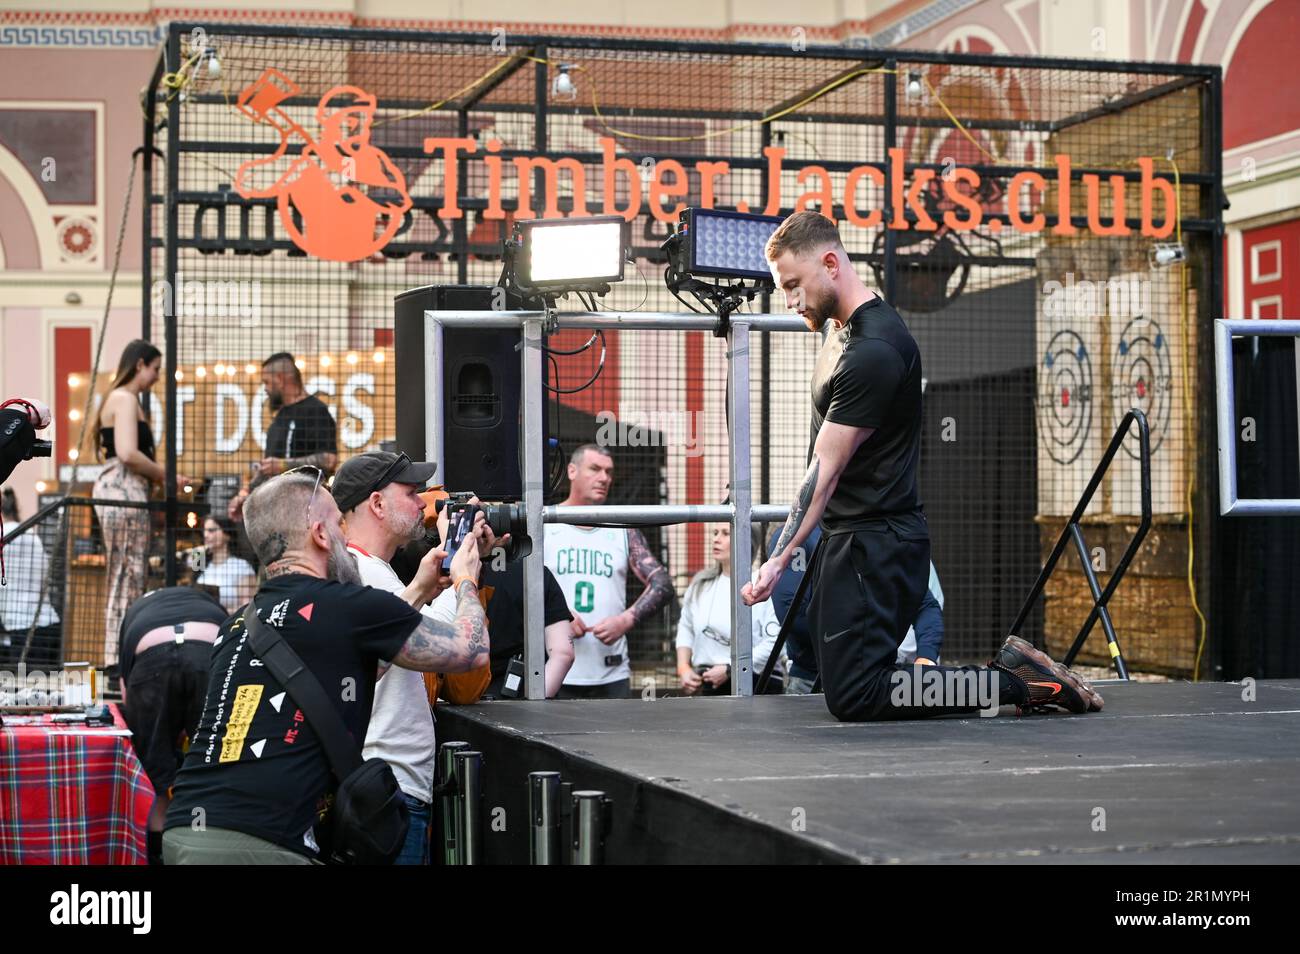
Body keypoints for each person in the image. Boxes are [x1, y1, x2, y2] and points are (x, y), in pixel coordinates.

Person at [743, 211, 1102, 720]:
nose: (790, 300)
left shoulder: (874, 349)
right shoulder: (841, 333)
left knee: (857, 696)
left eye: (794, 285)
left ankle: (1015, 683)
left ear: (830, 263)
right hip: (854, 539)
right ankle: (1011, 680)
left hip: (877, 543)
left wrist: (778, 558)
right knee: (845, 681)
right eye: (784, 288)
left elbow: (823, 469)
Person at [162, 467, 490, 865]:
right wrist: (466, 578)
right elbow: (470, 651)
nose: (346, 539)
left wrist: (420, 588)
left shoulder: (237, 624)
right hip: (265, 839)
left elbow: (364, 668)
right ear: (320, 535)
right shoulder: (349, 604)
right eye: (339, 525)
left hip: (185, 831)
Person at [332, 451, 496, 865]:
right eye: (411, 492)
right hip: (387, 790)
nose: (424, 504)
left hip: (383, 787)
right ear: (377, 504)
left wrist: (454, 568)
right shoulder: (362, 574)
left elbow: (418, 629)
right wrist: (461, 566)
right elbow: (449, 647)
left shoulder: (369, 571)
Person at [545, 444, 674, 699]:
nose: (604, 478)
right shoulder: (547, 523)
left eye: (609, 472)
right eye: (595, 469)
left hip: (612, 674)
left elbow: (663, 584)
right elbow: (520, 589)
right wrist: (558, 617)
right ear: (571, 471)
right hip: (555, 672)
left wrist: (625, 620)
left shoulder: (621, 529)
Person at [94, 340, 191, 669]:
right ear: (139, 365)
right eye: (154, 368)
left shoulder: (125, 400)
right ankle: (116, 658)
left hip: (125, 488)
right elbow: (127, 453)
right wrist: (167, 475)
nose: (156, 376)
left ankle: (119, 653)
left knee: (127, 571)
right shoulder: (123, 398)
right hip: (122, 487)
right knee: (126, 572)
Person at [117, 585, 229, 865]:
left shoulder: (135, 611)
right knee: (214, 758)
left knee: (153, 767)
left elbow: (127, 694)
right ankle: (210, 845)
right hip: (208, 651)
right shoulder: (207, 604)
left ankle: (157, 852)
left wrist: (159, 729)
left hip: (150, 655)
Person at [771, 522, 945, 694]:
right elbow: (792, 611)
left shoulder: (884, 536)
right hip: (814, 678)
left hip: (877, 675)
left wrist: (926, 657)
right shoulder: (798, 536)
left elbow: (925, 604)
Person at [227, 352, 338, 522]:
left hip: (307, 512)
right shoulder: (280, 417)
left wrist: (283, 465)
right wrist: (245, 496)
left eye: (267, 382)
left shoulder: (315, 410)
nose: (265, 388)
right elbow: (268, 470)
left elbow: (329, 460)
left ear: (280, 378)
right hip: (278, 513)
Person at [676, 524, 782, 696]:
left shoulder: (762, 583)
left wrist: (732, 668)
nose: (716, 539)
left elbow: (774, 642)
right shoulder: (701, 585)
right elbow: (685, 628)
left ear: (746, 541)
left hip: (757, 683)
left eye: (725, 533)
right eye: (715, 533)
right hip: (709, 684)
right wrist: (683, 668)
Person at [481, 560, 575, 699]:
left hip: (456, 698)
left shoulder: (451, 571)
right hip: (523, 696)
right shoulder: (535, 574)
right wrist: (534, 702)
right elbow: (564, 654)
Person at [0, 486, 60, 667]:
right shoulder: (31, 535)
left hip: (20, 629)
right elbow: (45, 574)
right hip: (48, 623)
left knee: (20, 690)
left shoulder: (4, 537)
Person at [195, 516, 256, 612]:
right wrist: (197, 555)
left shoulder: (242, 566)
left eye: (211, 530)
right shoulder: (202, 563)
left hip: (227, 623)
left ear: (227, 535)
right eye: (204, 531)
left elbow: (248, 609)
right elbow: (191, 586)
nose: (205, 535)